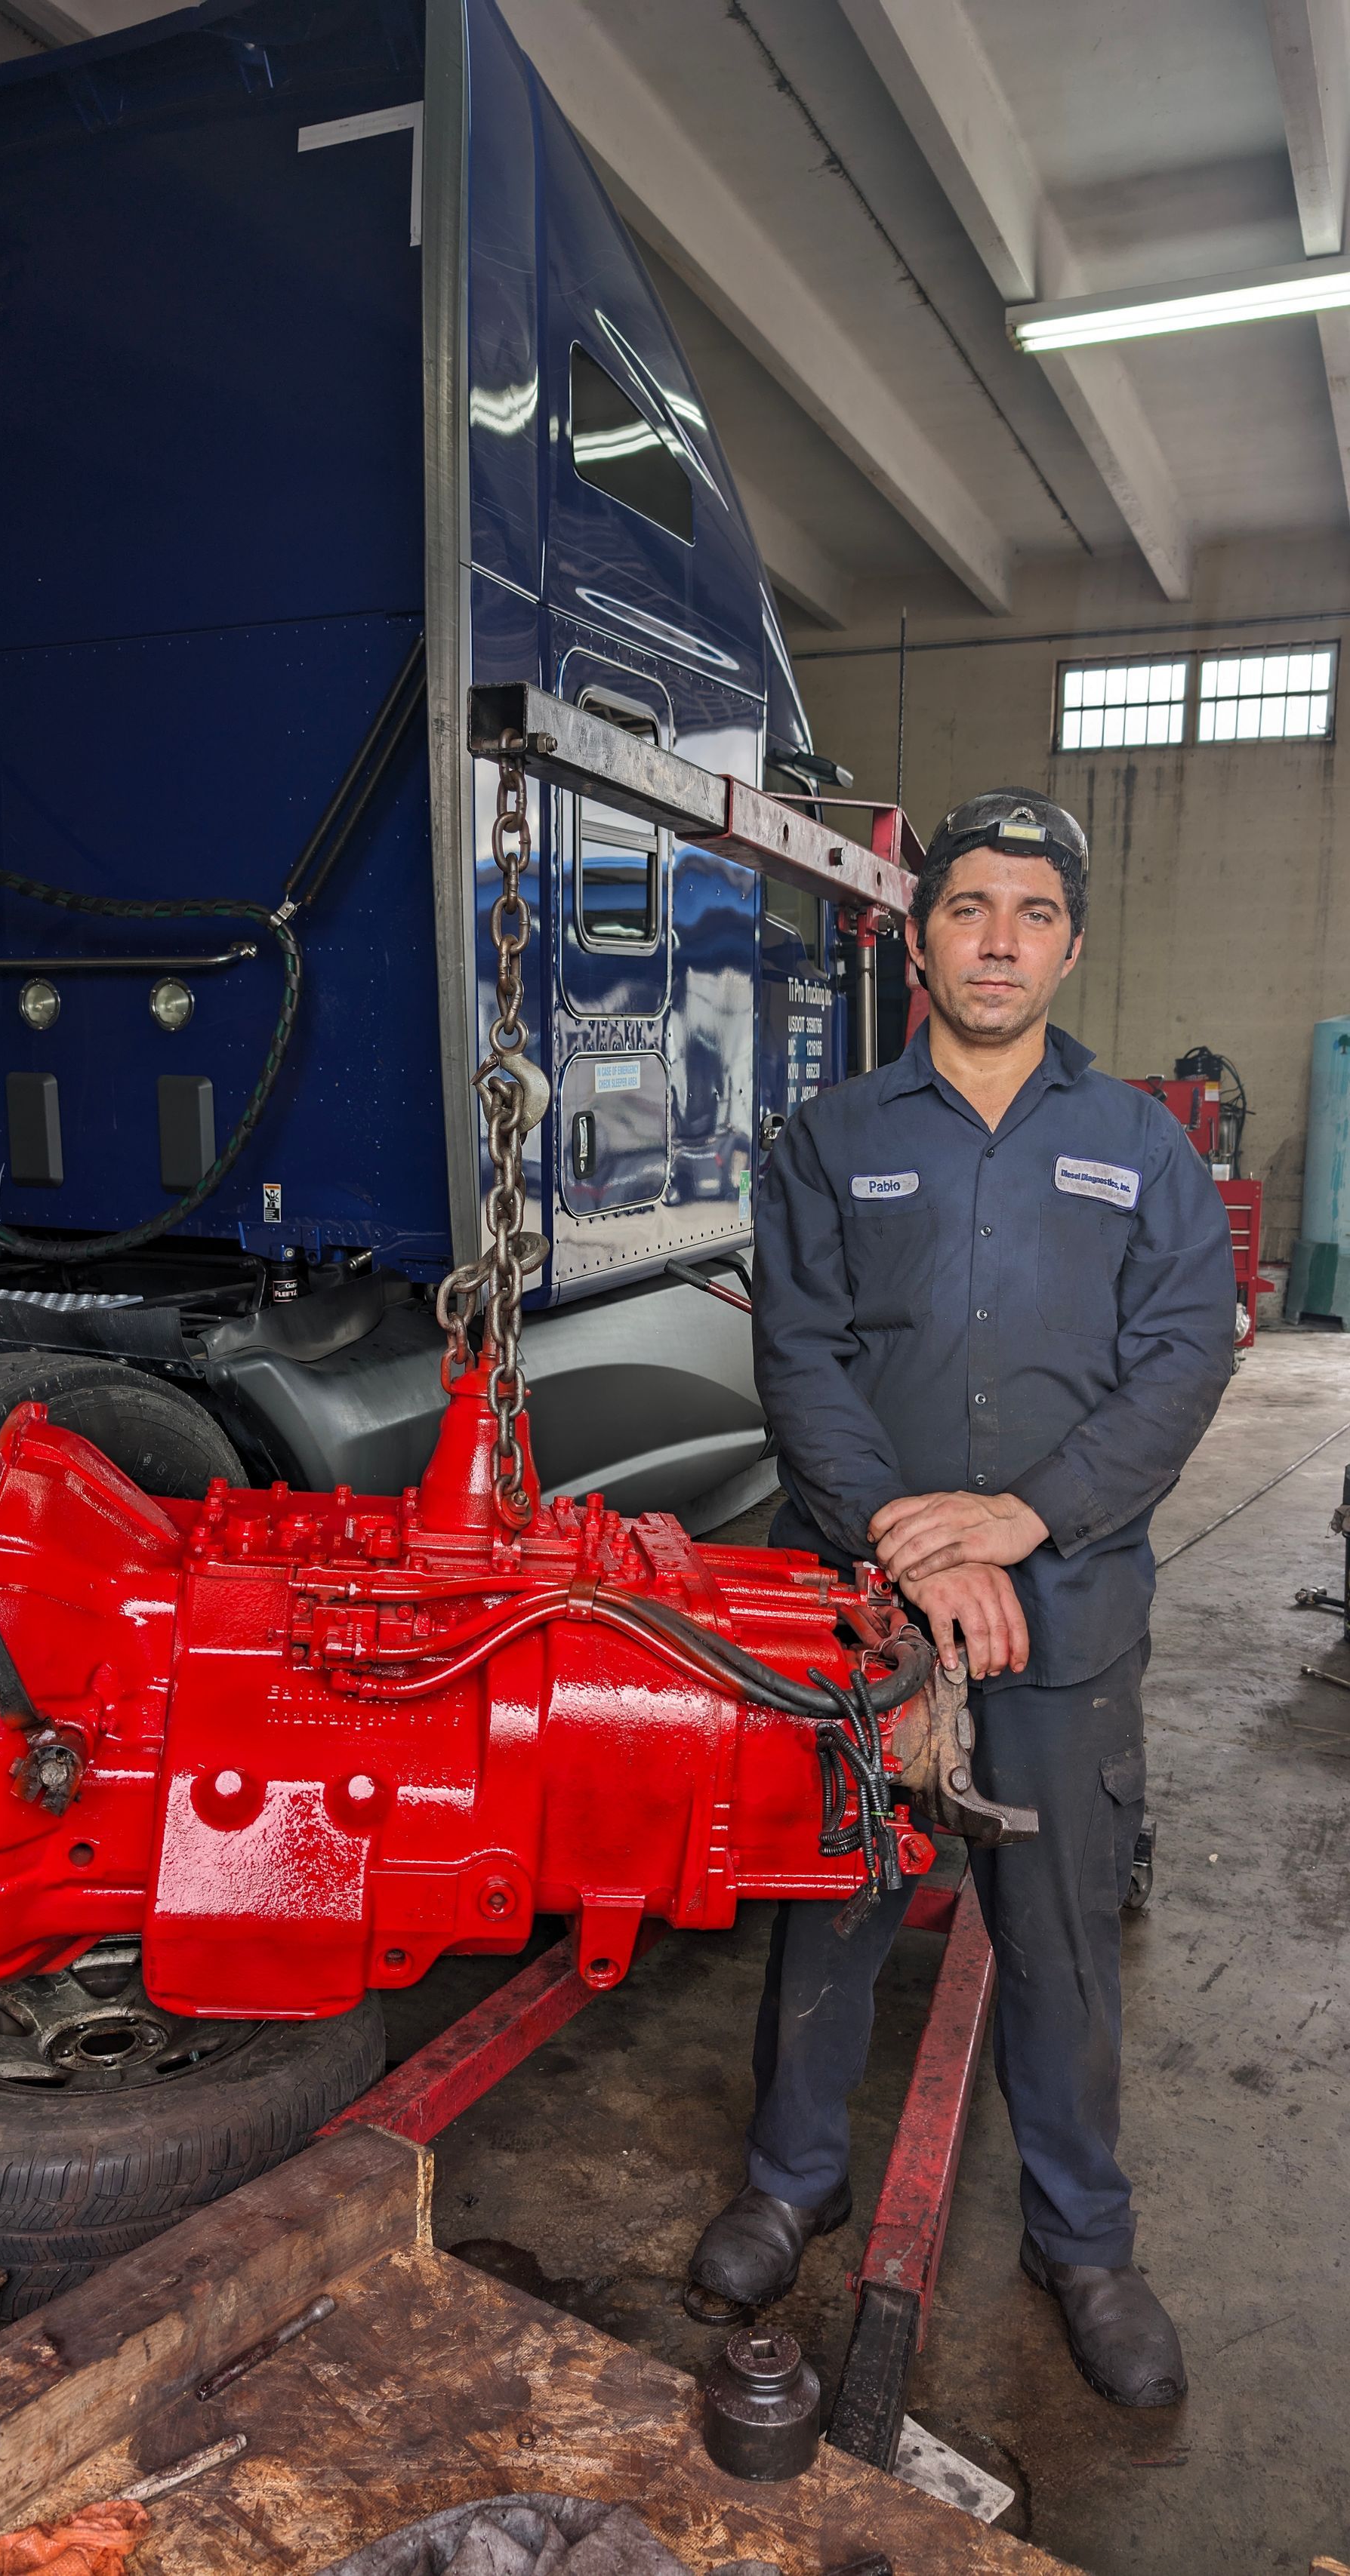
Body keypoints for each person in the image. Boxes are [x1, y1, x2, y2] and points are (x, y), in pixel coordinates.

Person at [686, 789, 1234, 2408]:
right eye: (970, 907)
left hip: (1065, 1620)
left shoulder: (1142, 1149)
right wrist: (908, 1550)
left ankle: (1082, 2243)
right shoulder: (832, 1141)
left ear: (1072, 943)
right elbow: (801, 1362)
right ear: (915, 936)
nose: (1000, 938)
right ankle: (795, 2182)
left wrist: (1020, 1521)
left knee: (1058, 1941)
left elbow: (1185, 1356)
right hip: (855, 1616)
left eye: (1035, 913)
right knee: (830, 1908)